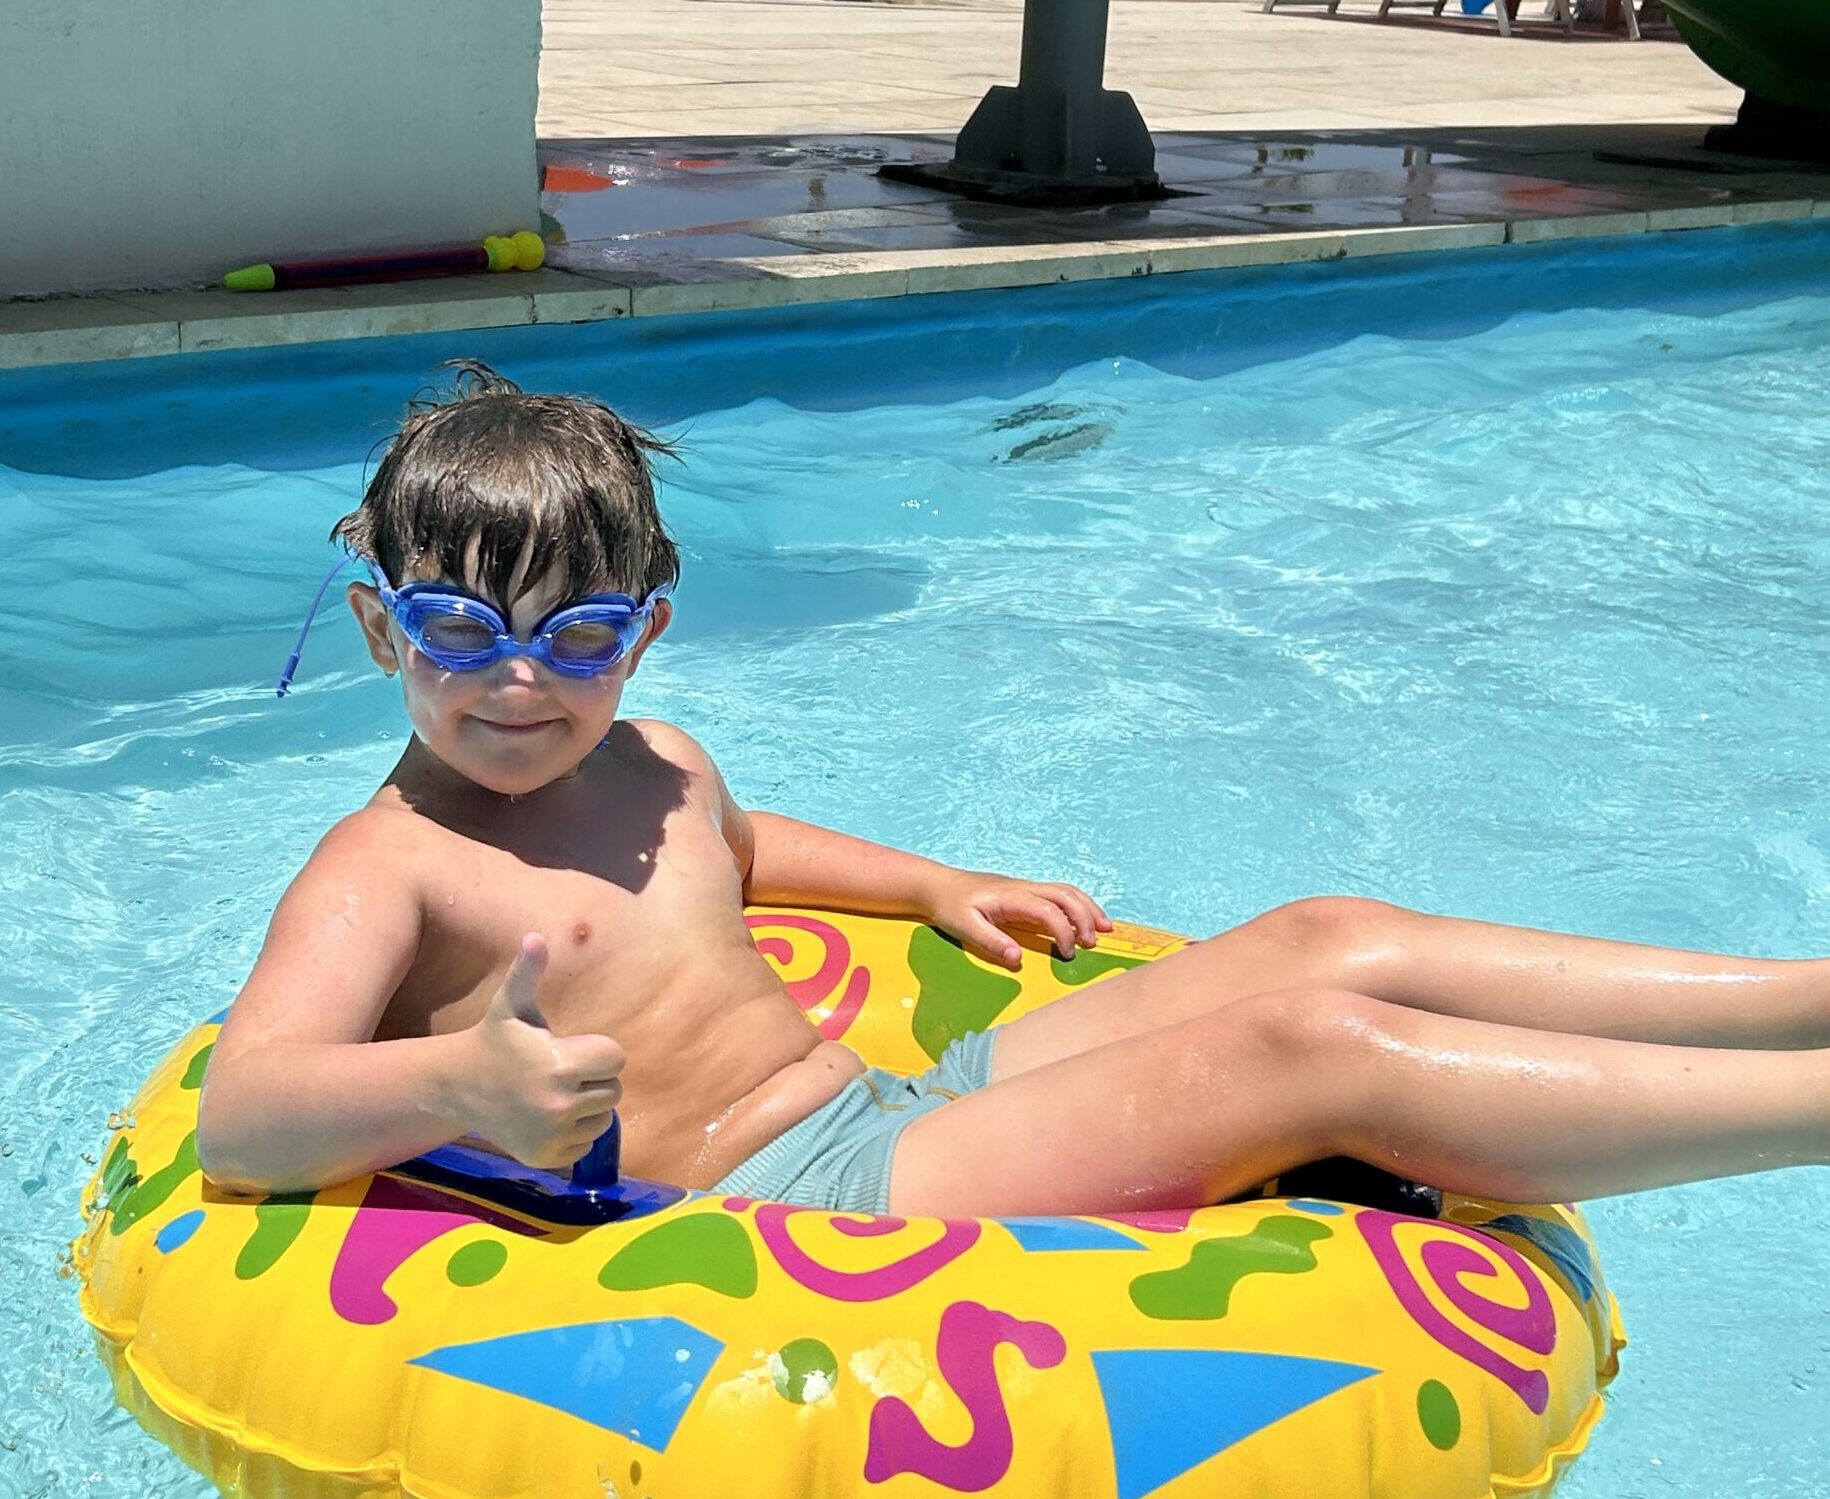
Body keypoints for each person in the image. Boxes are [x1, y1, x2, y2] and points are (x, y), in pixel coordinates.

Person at [198, 364, 1830, 1218]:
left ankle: (1795, 1001)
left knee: (1323, 934)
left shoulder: (657, 763)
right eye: (458, 628)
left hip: (895, 1103)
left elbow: (736, 858)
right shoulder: (387, 868)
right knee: (1309, 1054)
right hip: (804, 1205)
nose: (517, 679)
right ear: (377, 627)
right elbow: (245, 1112)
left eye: (581, 634)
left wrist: (921, 884)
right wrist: (457, 1088)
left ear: (650, 635)